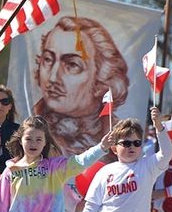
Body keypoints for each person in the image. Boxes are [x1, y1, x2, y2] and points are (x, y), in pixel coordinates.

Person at [33, 16, 129, 156]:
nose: (53, 78)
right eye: (48, 59)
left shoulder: (121, 136)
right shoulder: (29, 127)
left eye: (72, 65)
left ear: (102, 77)